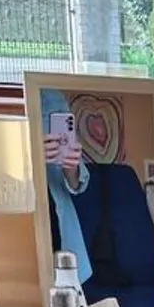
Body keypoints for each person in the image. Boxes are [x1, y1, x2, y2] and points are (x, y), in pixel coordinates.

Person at [40, 87, 92, 284]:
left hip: (57, 212)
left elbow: (77, 184)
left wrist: (71, 165)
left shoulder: (50, 96)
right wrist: (31, 153)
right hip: (20, 216)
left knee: (68, 303)